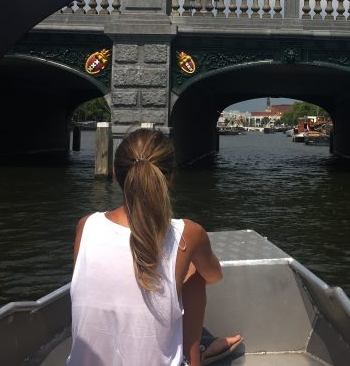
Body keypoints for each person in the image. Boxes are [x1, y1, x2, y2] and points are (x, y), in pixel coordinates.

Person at [67, 128, 242, 366]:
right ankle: (193, 360)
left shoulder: (86, 226)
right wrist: (183, 272)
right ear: (169, 179)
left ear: (116, 175)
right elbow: (213, 275)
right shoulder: (188, 234)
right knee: (195, 276)